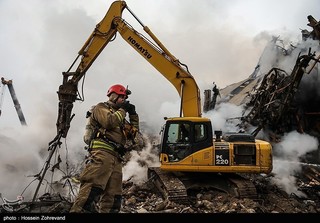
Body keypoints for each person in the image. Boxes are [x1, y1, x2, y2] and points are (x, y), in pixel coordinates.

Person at [70, 84, 139, 213]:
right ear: (113, 96)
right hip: (102, 154)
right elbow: (109, 121)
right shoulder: (100, 108)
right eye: (121, 96)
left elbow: (133, 135)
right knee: (91, 191)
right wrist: (123, 110)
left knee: (114, 198)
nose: (124, 99)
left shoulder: (121, 118)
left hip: (116, 158)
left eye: (125, 97)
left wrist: (133, 115)